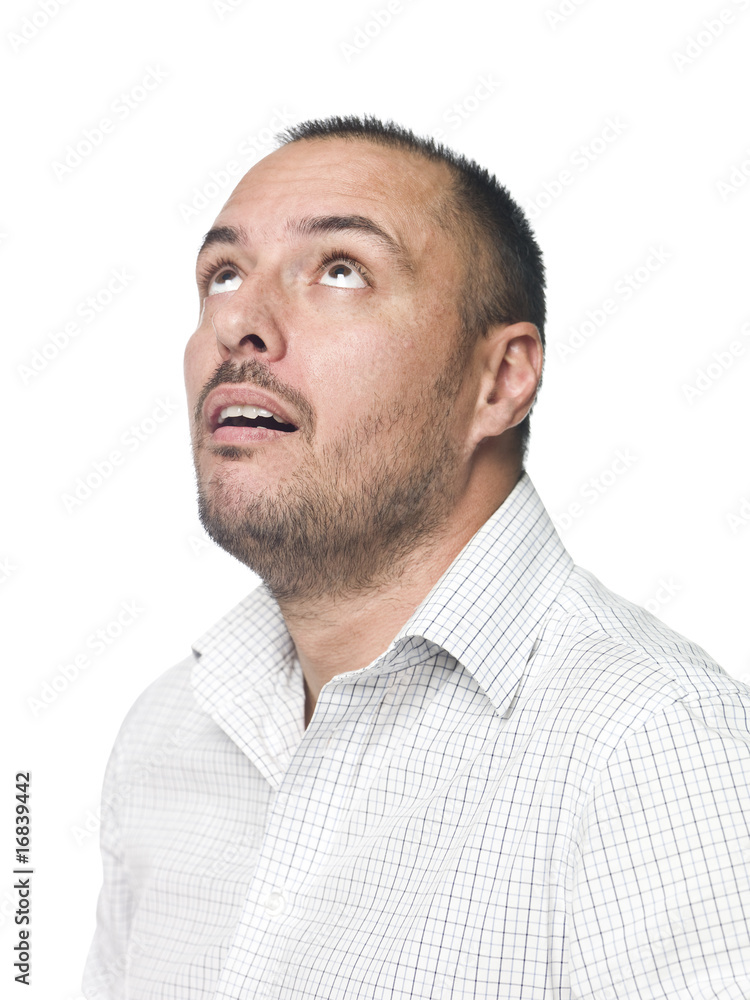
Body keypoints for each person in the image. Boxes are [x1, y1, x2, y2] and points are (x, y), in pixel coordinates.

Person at [83, 116, 750, 1000]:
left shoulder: (657, 748)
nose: (238, 322)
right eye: (224, 274)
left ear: (500, 380)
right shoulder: (166, 732)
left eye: (341, 270)